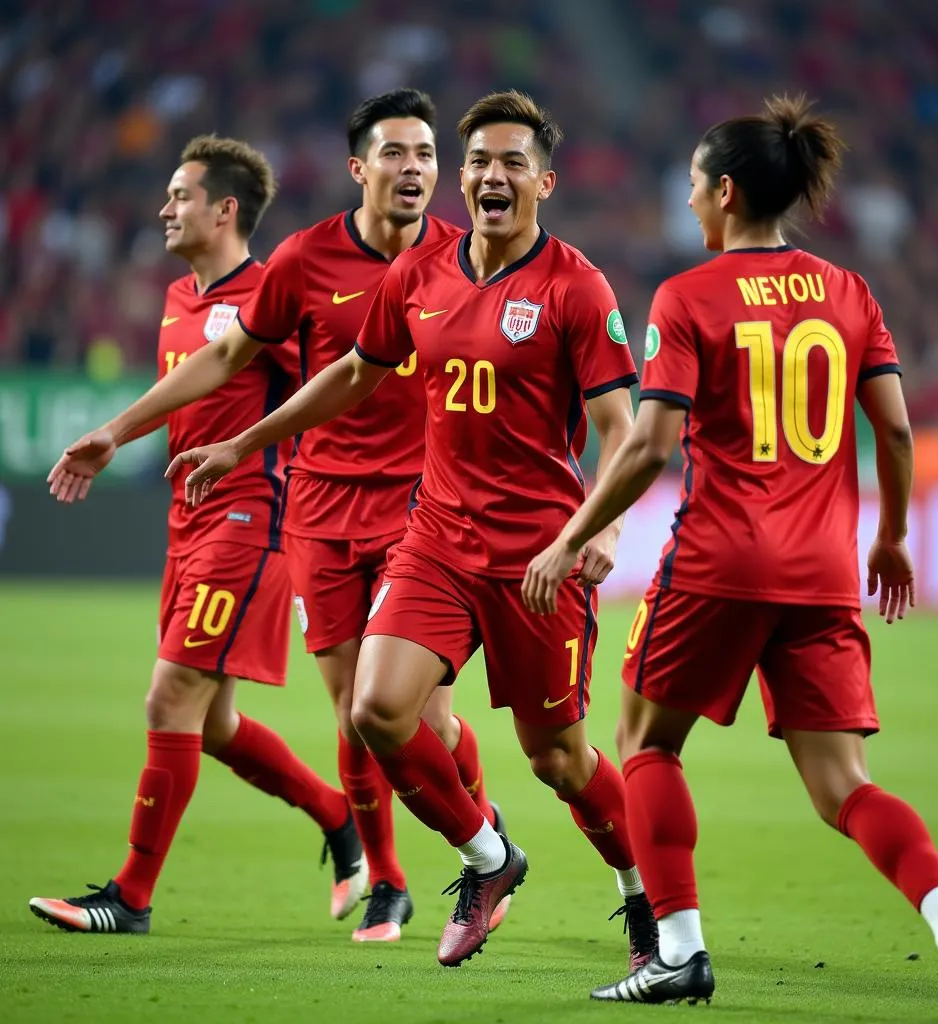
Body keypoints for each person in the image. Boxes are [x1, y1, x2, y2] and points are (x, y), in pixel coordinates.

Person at [521, 95, 938, 1021]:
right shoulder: (849, 291)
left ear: (728, 190)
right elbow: (896, 430)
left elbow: (651, 446)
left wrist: (573, 533)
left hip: (717, 562)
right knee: (845, 788)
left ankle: (678, 951)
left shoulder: (688, 296)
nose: (692, 205)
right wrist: (894, 537)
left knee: (646, 743)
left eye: (696, 189)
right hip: (824, 572)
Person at [167, 90, 659, 971]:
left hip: (538, 554)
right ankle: (488, 857)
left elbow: (621, 429)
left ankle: (642, 892)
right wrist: (244, 439)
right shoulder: (420, 274)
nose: (490, 175)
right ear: (462, 180)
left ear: (544, 181)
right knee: (377, 711)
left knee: (558, 758)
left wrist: (601, 531)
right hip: (434, 537)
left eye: (512, 162)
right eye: (477, 162)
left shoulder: (576, 287)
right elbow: (355, 372)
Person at [35, 89, 505, 943]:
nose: (415, 168)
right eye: (395, 153)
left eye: (426, 154)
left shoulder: (466, 258)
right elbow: (229, 357)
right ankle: (393, 877)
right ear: (360, 168)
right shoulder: (304, 260)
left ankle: (482, 844)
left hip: (420, 510)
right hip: (322, 509)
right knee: (352, 717)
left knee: (412, 714)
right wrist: (115, 432)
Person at [29, 135, 367, 934]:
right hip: (189, 522)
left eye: (180, 195)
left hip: (253, 517)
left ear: (225, 209)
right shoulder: (182, 297)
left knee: (168, 697)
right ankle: (336, 817)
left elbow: (343, 383)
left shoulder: (273, 297)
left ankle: (131, 898)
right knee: (210, 725)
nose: (164, 209)